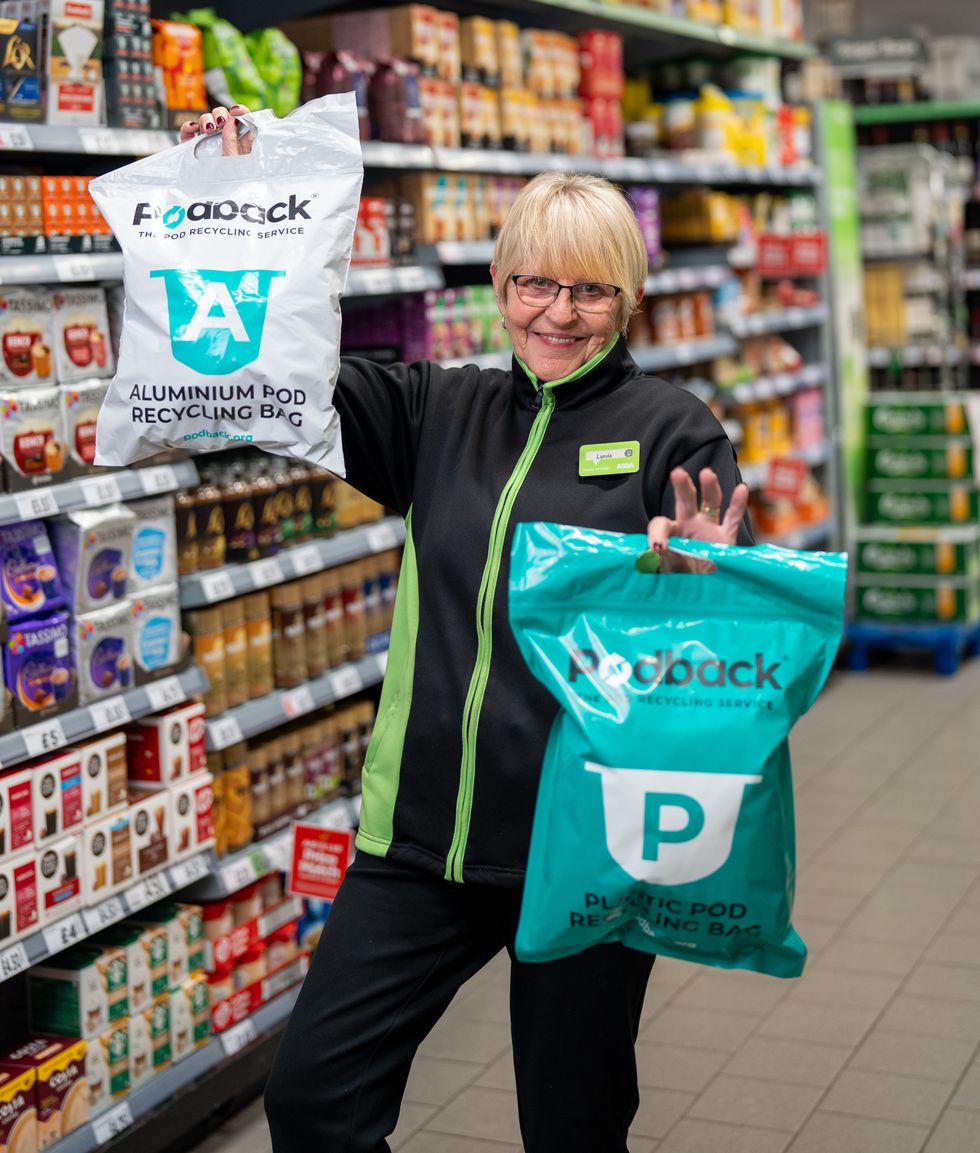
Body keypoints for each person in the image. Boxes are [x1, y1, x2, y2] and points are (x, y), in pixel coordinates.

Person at [182, 106, 752, 1153]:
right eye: (535, 282)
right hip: (415, 843)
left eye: (588, 288)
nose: (558, 313)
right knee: (313, 1102)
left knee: (572, 1128)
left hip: (582, 850)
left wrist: (694, 585)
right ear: (498, 290)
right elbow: (261, 364)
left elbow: (718, 653)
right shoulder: (431, 411)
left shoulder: (672, 429)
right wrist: (243, 199)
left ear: (626, 297)